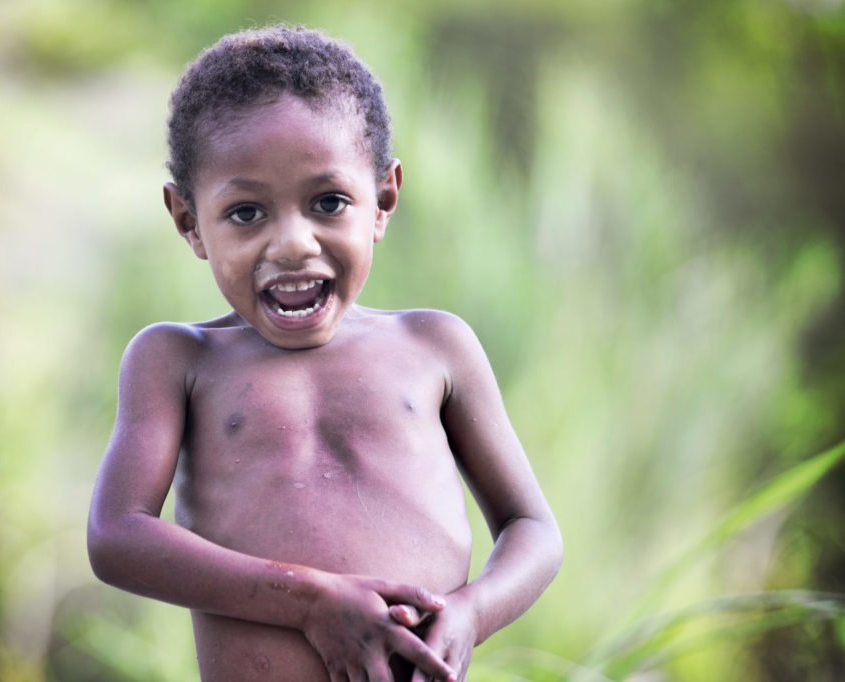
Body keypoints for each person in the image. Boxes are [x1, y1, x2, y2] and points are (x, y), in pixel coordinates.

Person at [87, 24, 562, 682]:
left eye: (329, 202)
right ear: (189, 221)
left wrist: (473, 611)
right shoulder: (178, 361)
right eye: (247, 213)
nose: (292, 244)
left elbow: (533, 527)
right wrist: (311, 601)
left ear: (383, 199)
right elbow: (117, 536)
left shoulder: (434, 347)